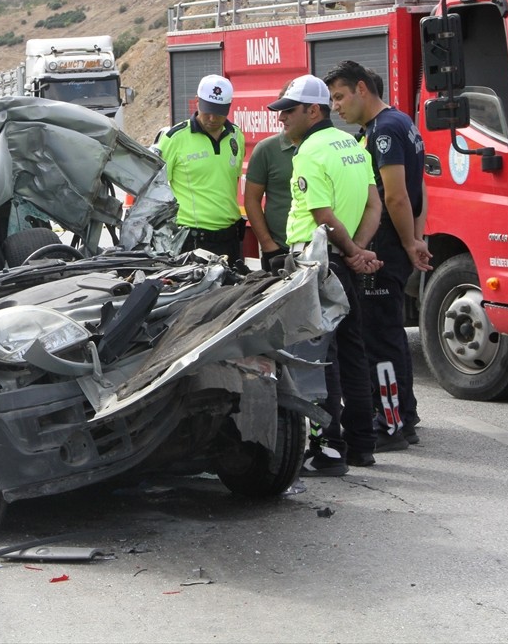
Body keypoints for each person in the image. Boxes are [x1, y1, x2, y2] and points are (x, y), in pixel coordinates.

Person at [269, 76, 382, 475]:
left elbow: (322, 215)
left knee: (318, 358)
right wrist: (359, 250)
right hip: (342, 263)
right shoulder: (352, 145)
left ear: (312, 111)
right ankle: (362, 445)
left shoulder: (310, 153)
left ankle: (329, 449)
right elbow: (374, 204)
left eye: (289, 110)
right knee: (353, 353)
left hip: (315, 264)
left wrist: (351, 251)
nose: (281, 117)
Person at [326, 60, 432, 451]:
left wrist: (407, 243)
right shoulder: (401, 122)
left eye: (340, 97)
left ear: (361, 89)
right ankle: (404, 413)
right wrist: (418, 238)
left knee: (378, 339)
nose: (336, 106)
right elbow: (423, 189)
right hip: (395, 244)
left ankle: (390, 424)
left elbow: (397, 194)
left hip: (384, 247)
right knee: (390, 335)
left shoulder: (384, 131)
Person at [155, 74, 246, 263]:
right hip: (193, 241)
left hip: (230, 238)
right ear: (197, 103)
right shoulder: (174, 139)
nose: (212, 118)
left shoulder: (236, 136)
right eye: (208, 111)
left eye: (219, 112)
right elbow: (155, 189)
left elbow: (230, 183)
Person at [243, 129, 296, 273]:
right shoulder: (266, 149)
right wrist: (268, 245)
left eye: (291, 110)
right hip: (280, 248)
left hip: (321, 248)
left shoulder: (323, 147)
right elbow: (251, 200)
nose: (282, 117)